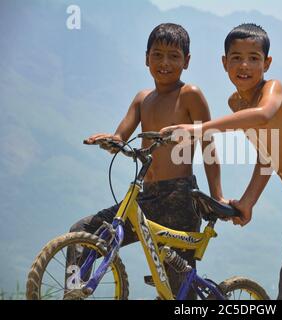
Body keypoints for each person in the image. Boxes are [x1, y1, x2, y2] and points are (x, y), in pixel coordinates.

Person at [161, 23, 282, 300]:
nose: (244, 65)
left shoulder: (272, 90)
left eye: (254, 58)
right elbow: (268, 153)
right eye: (236, 58)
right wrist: (248, 201)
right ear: (224, 63)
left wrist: (197, 129)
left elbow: (263, 115)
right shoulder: (236, 104)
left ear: (267, 63)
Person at [68, 23, 224, 300]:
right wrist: (110, 141)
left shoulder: (190, 94)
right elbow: (121, 137)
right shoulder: (142, 99)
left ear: (186, 61)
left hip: (180, 199)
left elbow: (209, 145)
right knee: (82, 230)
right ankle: (73, 292)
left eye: (174, 56)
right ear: (146, 58)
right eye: (157, 54)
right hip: (144, 198)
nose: (165, 63)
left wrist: (217, 196)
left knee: (177, 290)